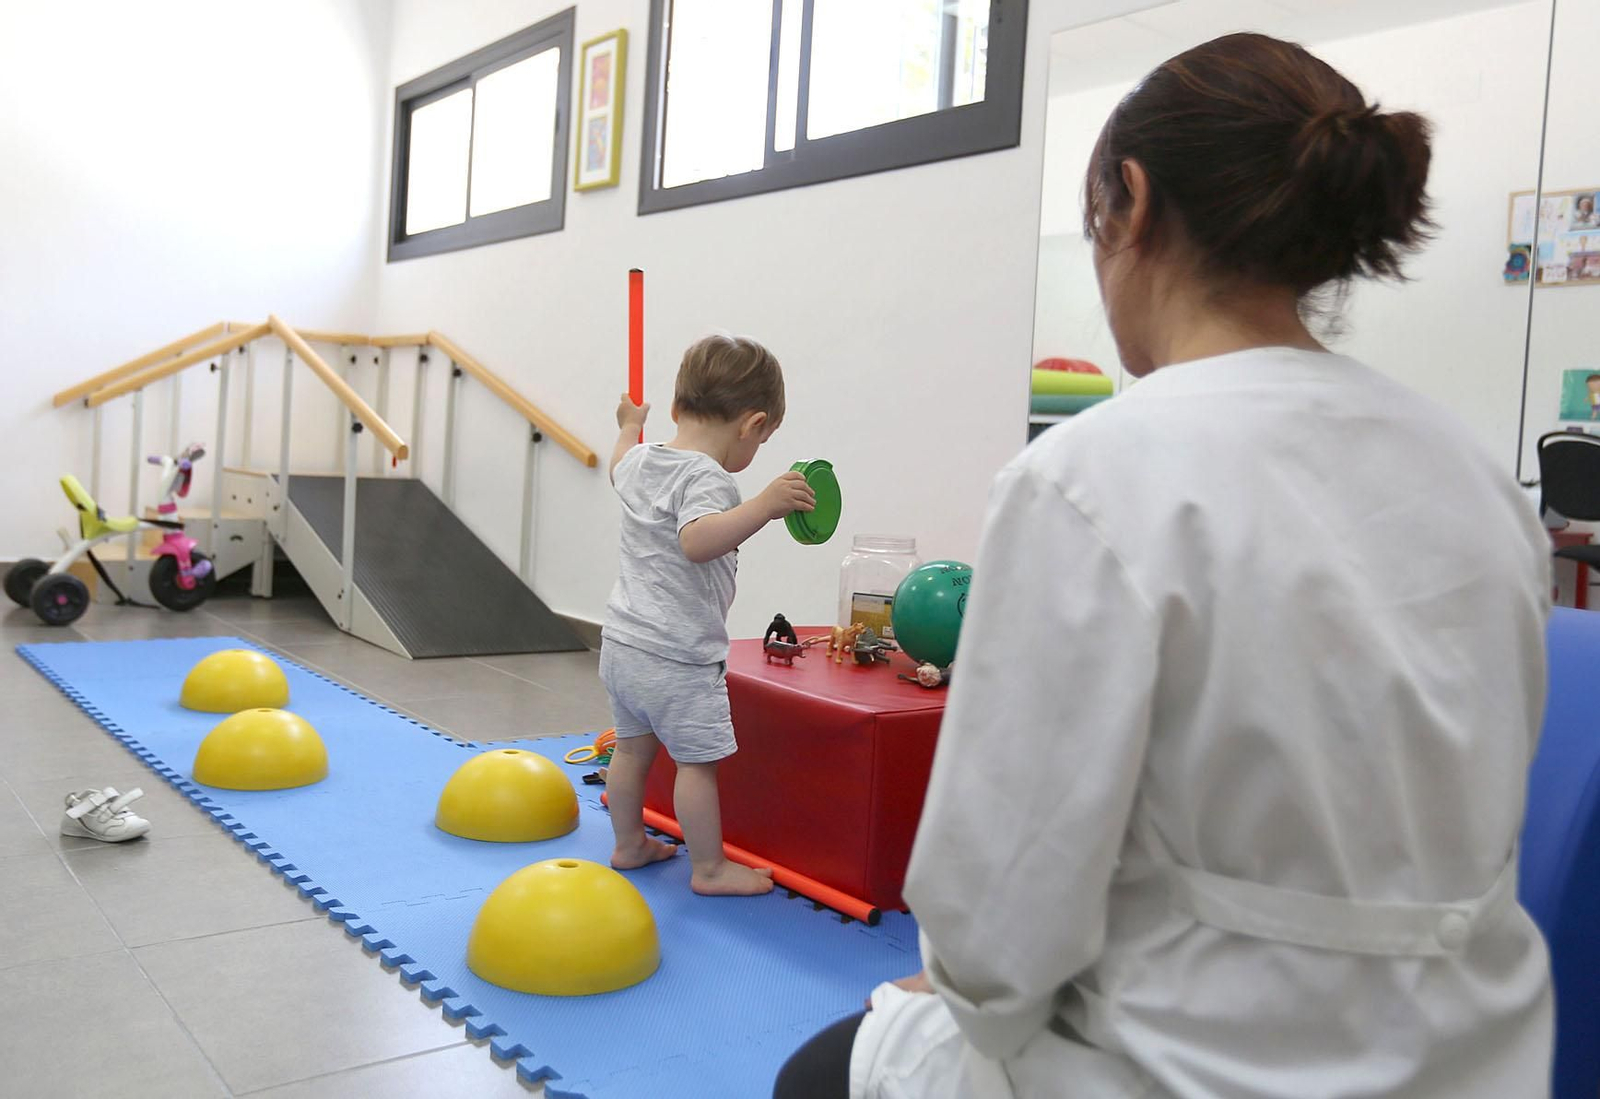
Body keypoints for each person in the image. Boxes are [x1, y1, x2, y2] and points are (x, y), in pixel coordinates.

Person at [777, 32, 1553, 1098]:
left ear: (1130, 200)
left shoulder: (1091, 474)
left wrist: (952, 991)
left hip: (1196, 1065)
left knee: (822, 1070)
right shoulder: (1477, 480)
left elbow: (993, 925)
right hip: (1476, 1057)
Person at [601, 334, 815, 896]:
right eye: (762, 440)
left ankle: (628, 843)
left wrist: (628, 424)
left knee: (630, 750)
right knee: (697, 765)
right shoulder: (708, 478)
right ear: (753, 424)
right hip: (678, 656)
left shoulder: (646, 458)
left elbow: (618, 466)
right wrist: (763, 506)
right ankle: (710, 869)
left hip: (623, 643)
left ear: (675, 410)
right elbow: (697, 540)